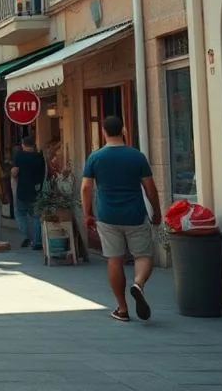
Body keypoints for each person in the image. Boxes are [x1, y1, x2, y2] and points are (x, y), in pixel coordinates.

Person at [81, 115, 162, 323]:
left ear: (103, 132)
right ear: (123, 131)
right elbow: (149, 187)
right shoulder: (137, 156)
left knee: (114, 259)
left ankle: (122, 308)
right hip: (135, 214)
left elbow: (86, 187)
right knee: (143, 256)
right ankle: (139, 283)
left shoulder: (95, 157)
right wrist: (157, 210)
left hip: (107, 216)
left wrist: (87, 213)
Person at [12, 136, 47, 250]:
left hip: (22, 189)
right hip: (37, 190)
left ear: (23, 145)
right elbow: (44, 173)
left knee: (20, 213)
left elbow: (15, 172)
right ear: (33, 145)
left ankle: (25, 235)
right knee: (36, 216)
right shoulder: (39, 156)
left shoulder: (19, 155)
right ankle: (37, 241)